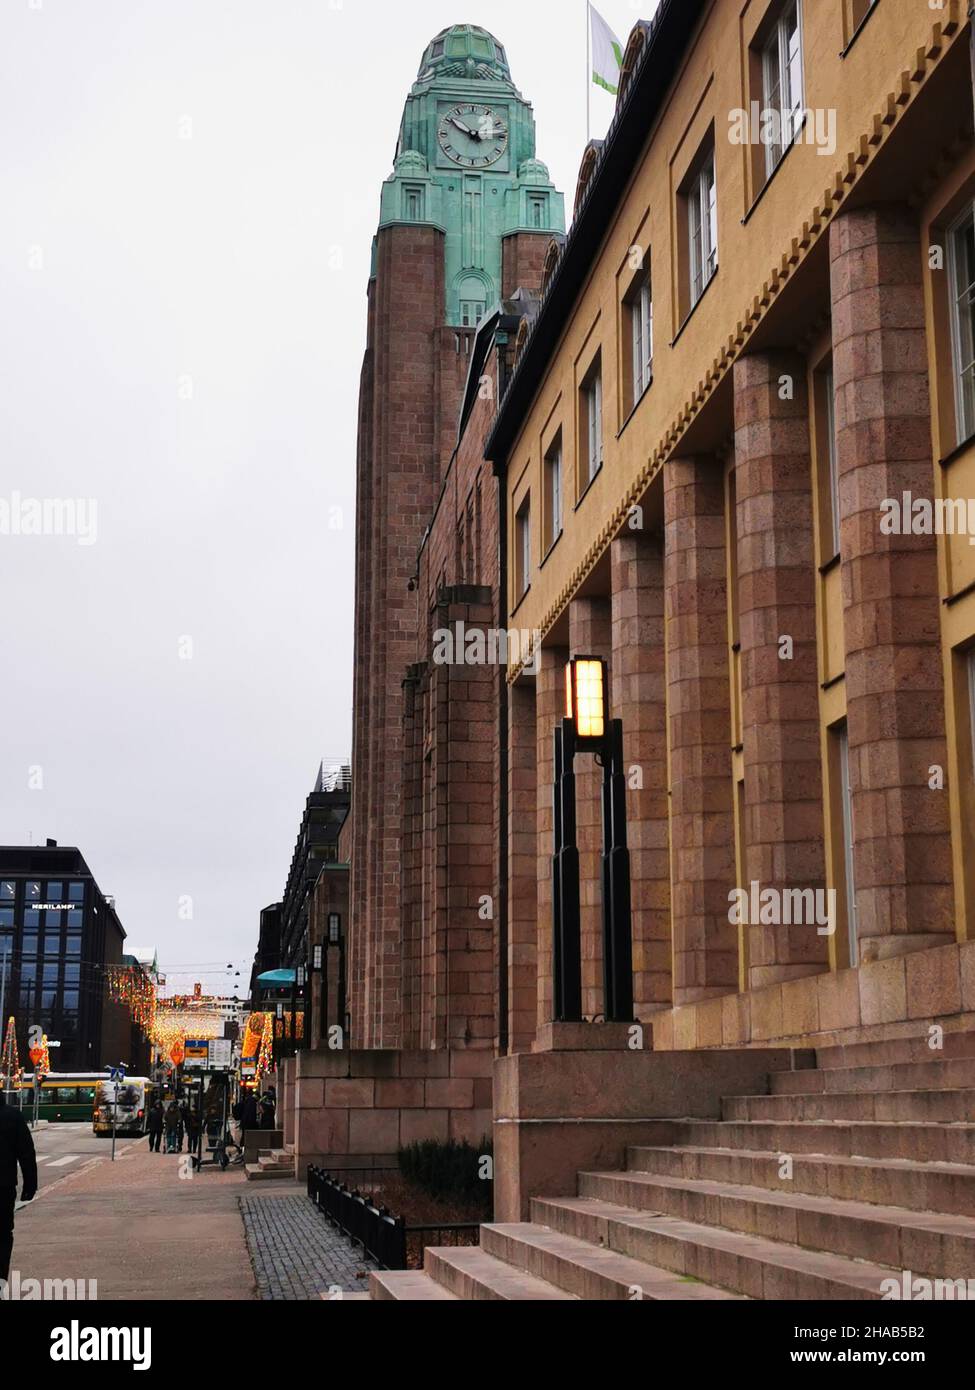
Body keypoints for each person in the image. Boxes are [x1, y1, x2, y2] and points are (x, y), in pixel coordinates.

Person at [0, 1091, 38, 1288]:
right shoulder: (13, 1116)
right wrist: (30, 1184)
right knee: (3, 1234)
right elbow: (26, 1152)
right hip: (3, 1187)